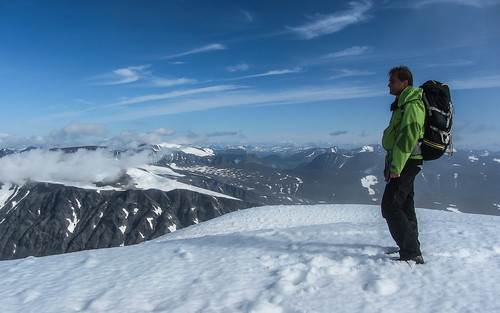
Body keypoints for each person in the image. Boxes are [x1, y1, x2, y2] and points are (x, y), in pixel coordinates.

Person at [381, 66, 425, 264]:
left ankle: (411, 252)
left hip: (407, 162)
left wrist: (396, 167)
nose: (389, 84)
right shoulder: (402, 104)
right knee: (405, 205)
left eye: (393, 81)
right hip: (405, 161)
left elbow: (408, 138)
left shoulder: (412, 105)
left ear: (404, 83)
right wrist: (391, 163)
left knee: (390, 207)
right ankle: (410, 247)